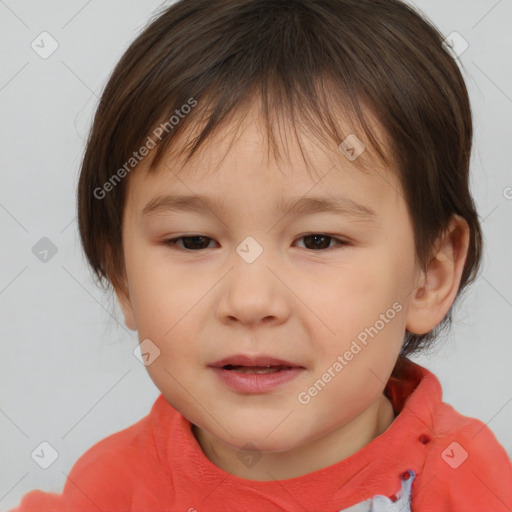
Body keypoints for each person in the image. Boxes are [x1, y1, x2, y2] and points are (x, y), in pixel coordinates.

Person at [8, 0, 512, 510]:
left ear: (429, 275)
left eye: (318, 241)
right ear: (120, 275)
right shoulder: (104, 494)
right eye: (194, 241)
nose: (250, 301)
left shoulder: (470, 488)